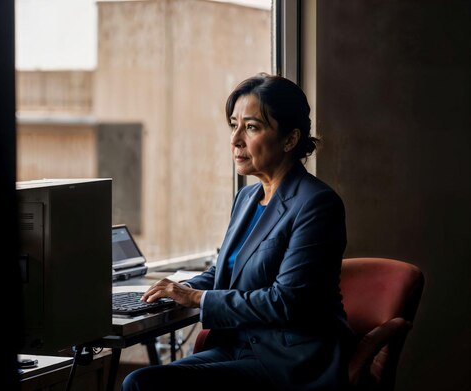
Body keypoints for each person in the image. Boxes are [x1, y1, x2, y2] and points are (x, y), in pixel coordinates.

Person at [121, 73, 354, 391]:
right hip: (237, 347)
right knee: (139, 380)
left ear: (289, 140)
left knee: (144, 384)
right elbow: (224, 271)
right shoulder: (247, 198)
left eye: (252, 127)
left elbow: (286, 301)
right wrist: (177, 289)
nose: (235, 140)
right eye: (234, 125)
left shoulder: (317, 204)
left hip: (289, 361)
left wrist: (196, 298)